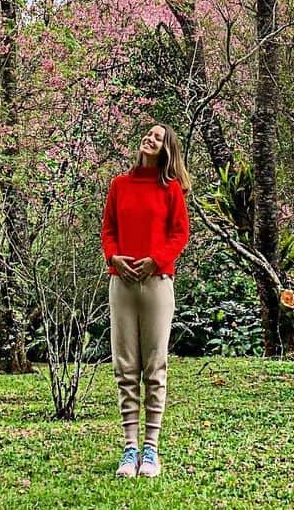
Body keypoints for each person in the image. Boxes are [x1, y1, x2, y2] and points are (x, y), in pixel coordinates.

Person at [101, 122, 191, 480]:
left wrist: (156, 259)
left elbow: (179, 233)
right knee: (125, 367)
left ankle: (151, 449)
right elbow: (108, 230)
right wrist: (114, 257)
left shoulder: (170, 190)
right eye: (148, 133)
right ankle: (130, 447)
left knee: (155, 366)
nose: (149, 138)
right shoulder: (119, 185)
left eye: (158, 137)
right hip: (121, 284)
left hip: (157, 283)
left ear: (166, 149)